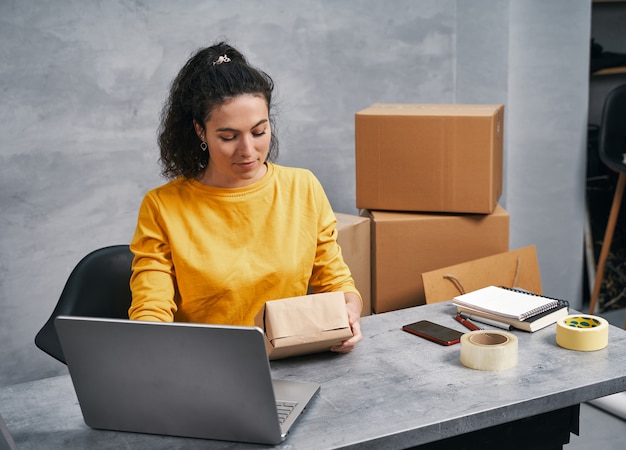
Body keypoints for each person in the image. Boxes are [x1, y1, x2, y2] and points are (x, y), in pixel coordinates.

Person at [128, 41, 362, 353]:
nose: (248, 151)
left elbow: (335, 283)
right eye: (228, 137)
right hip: (208, 365)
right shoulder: (163, 206)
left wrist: (348, 312)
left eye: (259, 131)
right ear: (200, 131)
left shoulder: (302, 187)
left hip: (294, 357)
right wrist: (148, 345)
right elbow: (151, 309)